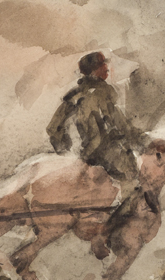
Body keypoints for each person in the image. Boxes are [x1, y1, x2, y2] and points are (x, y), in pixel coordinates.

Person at [46, 52, 147, 186]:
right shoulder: (78, 96)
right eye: (101, 65)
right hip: (97, 159)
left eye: (104, 63)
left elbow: (123, 125)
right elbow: (53, 128)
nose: (106, 67)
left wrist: (144, 140)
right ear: (92, 71)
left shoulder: (103, 94)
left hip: (113, 155)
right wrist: (67, 152)